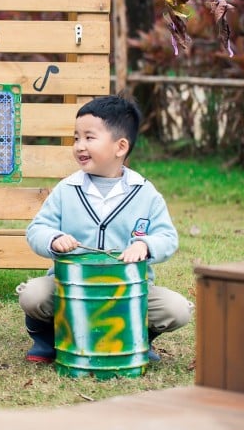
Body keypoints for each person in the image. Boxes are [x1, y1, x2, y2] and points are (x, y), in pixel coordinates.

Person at [16, 95, 193, 363]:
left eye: (89, 137)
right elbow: (37, 228)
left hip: (127, 290)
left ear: (120, 146)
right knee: (34, 295)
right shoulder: (67, 189)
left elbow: (167, 237)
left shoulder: (145, 193)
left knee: (177, 309)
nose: (79, 146)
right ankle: (47, 340)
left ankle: (135, 338)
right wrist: (54, 239)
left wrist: (145, 246)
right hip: (70, 285)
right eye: (76, 138)